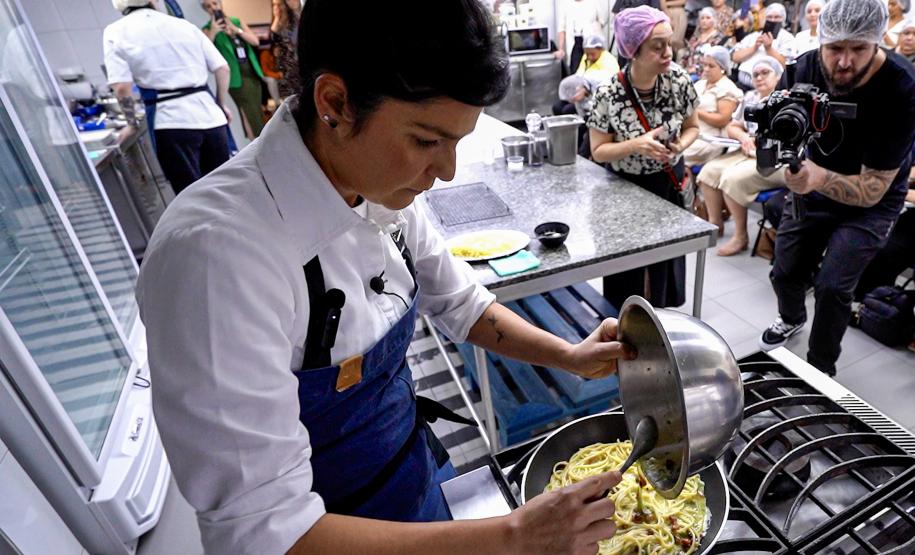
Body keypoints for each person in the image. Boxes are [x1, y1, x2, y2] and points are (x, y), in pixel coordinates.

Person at [136, 1, 635, 553]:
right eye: (427, 141)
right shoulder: (215, 256)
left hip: (412, 477)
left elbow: (461, 305)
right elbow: (265, 534)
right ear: (335, 103)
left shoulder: (380, 189)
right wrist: (515, 535)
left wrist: (569, 356)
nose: (445, 172)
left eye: (456, 143)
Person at [759, 0, 915, 376]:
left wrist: (816, 177)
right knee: (785, 269)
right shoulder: (804, 69)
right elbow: (772, 132)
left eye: (859, 48)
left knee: (832, 287)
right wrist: (780, 164)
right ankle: (791, 316)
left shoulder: (901, 87)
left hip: (873, 198)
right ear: (821, 39)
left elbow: (872, 190)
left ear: (878, 42)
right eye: (835, 48)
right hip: (812, 180)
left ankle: (820, 369)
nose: (845, 61)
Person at [589, 6, 700, 309]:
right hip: (624, 191)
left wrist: (679, 147)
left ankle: (662, 328)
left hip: (666, 184)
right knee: (627, 273)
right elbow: (598, 151)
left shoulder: (678, 81)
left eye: (669, 43)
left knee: (663, 267)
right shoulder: (609, 93)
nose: (668, 52)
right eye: (657, 46)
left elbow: (693, 127)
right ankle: (625, 332)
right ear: (632, 51)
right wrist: (636, 144)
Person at [103, 0, 232, 195]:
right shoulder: (183, 25)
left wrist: (132, 125)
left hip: (171, 123)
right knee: (227, 189)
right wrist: (221, 105)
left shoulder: (116, 31)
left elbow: (121, 87)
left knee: (192, 196)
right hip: (212, 118)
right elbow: (222, 68)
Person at [697, 56, 786, 253]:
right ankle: (715, 223)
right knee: (709, 171)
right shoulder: (751, 98)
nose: (759, 78)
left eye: (765, 73)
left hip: (776, 158)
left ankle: (740, 236)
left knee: (731, 179)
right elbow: (733, 126)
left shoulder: (785, 100)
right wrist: (744, 137)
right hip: (748, 150)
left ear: (779, 76)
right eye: (755, 75)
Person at [201, 0, 266, 139]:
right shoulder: (207, 29)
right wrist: (213, 31)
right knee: (246, 111)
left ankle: (261, 140)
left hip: (251, 72)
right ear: (205, 10)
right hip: (235, 78)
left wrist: (237, 31)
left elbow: (255, 41)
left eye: (214, 3)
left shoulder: (236, 21)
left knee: (256, 109)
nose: (213, 8)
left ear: (220, 4)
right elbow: (205, 52)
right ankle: (256, 141)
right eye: (208, 6)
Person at [682, 46, 743, 165]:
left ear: (723, 68)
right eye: (704, 65)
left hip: (708, 138)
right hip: (687, 129)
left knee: (676, 153)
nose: (706, 69)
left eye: (711, 66)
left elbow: (722, 120)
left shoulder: (727, 89)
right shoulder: (700, 84)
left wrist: (696, 111)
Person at [732, 3, 795, 89]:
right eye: (769, 17)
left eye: (777, 17)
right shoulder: (753, 36)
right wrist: (754, 48)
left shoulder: (787, 38)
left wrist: (769, 49)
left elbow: (787, 64)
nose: (773, 20)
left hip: (770, 88)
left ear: (783, 19)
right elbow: (735, 57)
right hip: (743, 84)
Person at [553, 34, 619, 115]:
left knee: (567, 110)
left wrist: (585, 90)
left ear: (601, 50)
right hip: (582, 95)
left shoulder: (609, 61)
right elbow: (579, 75)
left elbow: (606, 84)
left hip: (597, 100)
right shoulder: (586, 58)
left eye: (592, 54)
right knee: (557, 107)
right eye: (587, 54)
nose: (590, 57)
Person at [556, 0, 605, 76]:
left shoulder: (594, 2)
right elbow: (562, 29)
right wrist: (561, 49)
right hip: (575, 42)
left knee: (593, 71)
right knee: (576, 72)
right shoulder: (566, 4)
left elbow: (602, 21)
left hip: (592, 43)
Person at [679, 7, 726, 75]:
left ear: (714, 20)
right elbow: (687, 54)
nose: (704, 21)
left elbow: (713, 60)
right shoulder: (696, 36)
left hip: (703, 72)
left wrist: (696, 69)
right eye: (702, 18)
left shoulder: (717, 38)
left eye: (708, 18)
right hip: (687, 70)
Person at [270, 0, 302, 98]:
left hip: (297, 63)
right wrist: (277, 17)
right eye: (274, 5)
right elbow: (273, 40)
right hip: (285, 66)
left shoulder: (294, 20)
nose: (276, 7)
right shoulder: (278, 23)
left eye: (278, 4)